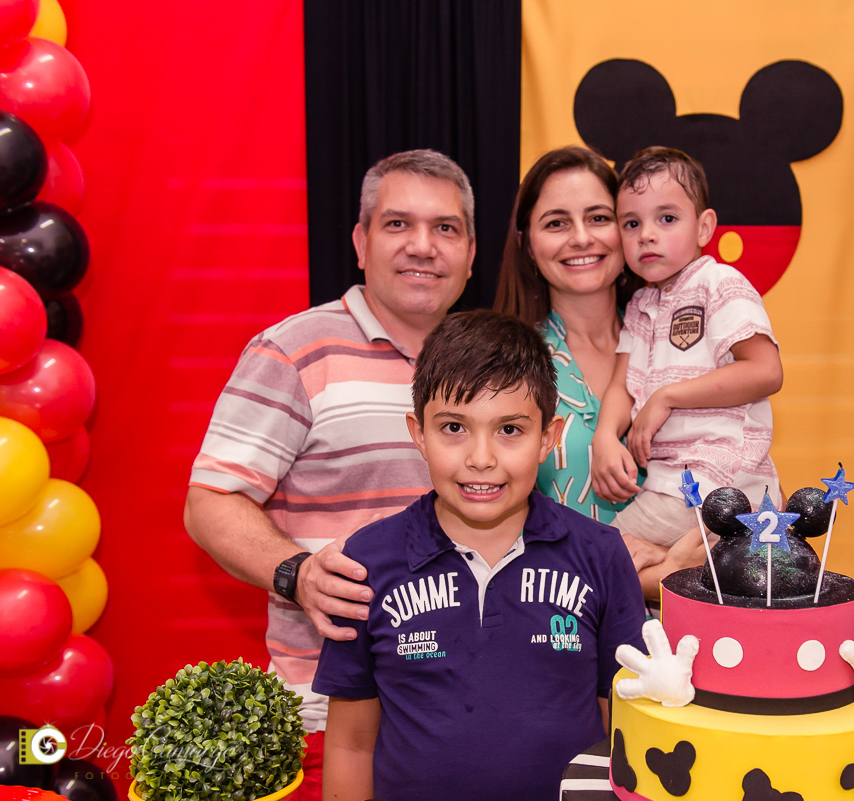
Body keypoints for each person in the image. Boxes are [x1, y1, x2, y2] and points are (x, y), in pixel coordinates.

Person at [183, 149, 475, 801]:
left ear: (471, 253)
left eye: (445, 228)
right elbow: (211, 500)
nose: (423, 246)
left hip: (468, 707)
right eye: (398, 224)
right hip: (331, 710)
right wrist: (297, 573)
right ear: (361, 242)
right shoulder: (293, 350)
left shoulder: (489, 361)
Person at [313, 310, 646, 801]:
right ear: (418, 434)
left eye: (509, 430)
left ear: (548, 439)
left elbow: (623, 726)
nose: (481, 458)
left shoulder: (600, 554)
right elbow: (351, 744)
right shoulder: (364, 564)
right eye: (454, 427)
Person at [592, 146, 785, 599]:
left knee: (594, 556)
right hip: (672, 485)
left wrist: (667, 396)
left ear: (704, 227)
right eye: (631, 223)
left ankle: (683, 563)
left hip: (715, 480)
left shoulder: (719, 283)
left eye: (667, 218)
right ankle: (679, 565)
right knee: (640, 573)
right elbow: (622, 384)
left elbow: (766, 371)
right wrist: (604, 437)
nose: (647, 235)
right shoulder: (641, 305)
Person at [494, 146, 644, 523]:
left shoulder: (676, 345)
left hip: (691, 558)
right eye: (556, 223)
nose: (581, 238)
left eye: (599, 218)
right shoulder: (503, 365)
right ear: (528, 244)